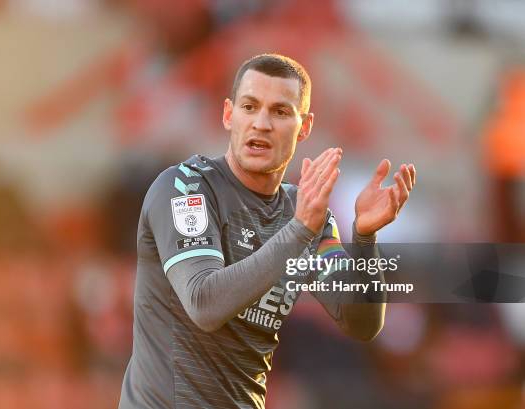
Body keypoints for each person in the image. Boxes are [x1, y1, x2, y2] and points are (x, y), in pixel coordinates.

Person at [118, 53, 416, 409]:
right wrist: (299, 230)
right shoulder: (185, 189)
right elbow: (204, 304)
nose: (261, 123)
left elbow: (361, 323)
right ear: (229, 115)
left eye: (279, 111)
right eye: (249, 106)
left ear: (304, 126)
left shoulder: (305, 213)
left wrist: (365, 238)